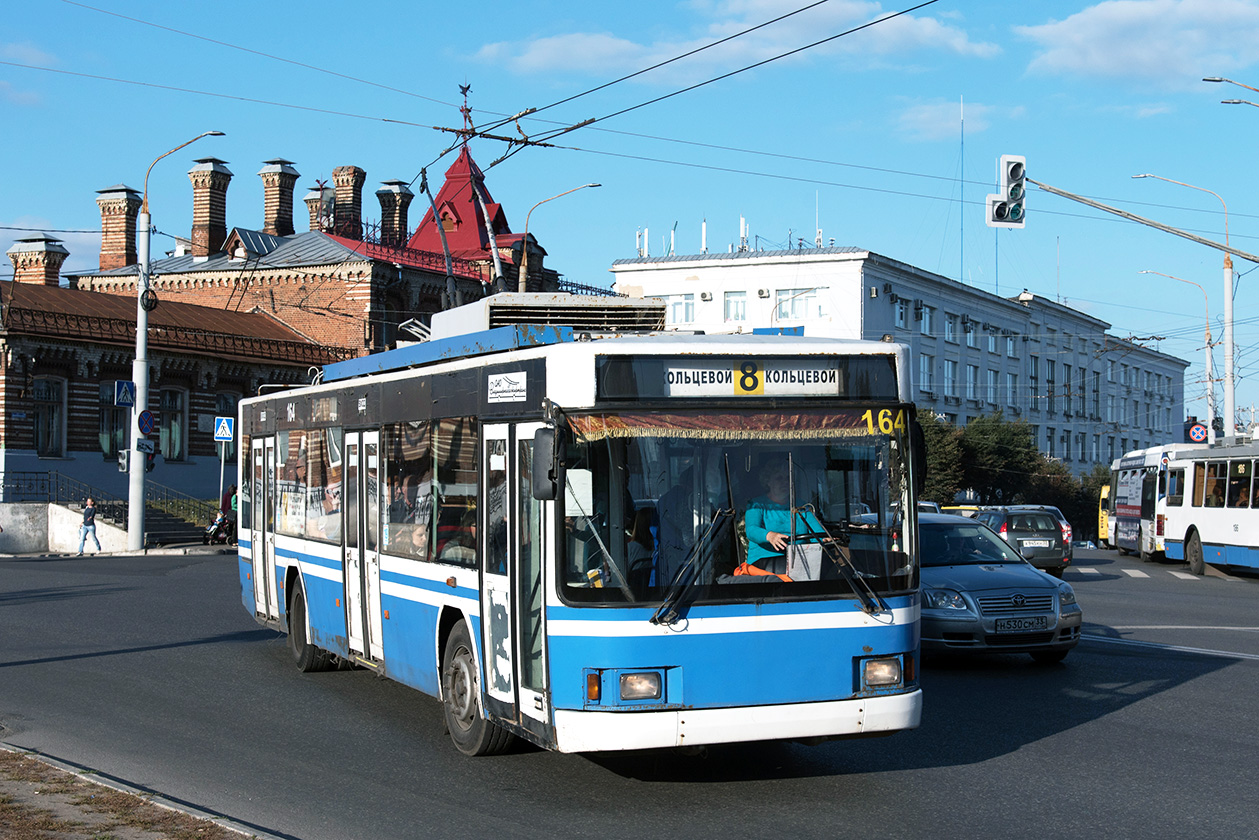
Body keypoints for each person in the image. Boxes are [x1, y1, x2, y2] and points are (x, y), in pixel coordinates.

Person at [743, 461, 824, 576]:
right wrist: (770, 536)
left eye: (788, 478)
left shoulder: (801, 507)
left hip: (800, 561)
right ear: (768, 481)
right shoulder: (756, 505)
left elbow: (818, 532)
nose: (785, 482)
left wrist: (825, 540)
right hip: (764, 564)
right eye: (779, 478)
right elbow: (751, 530)